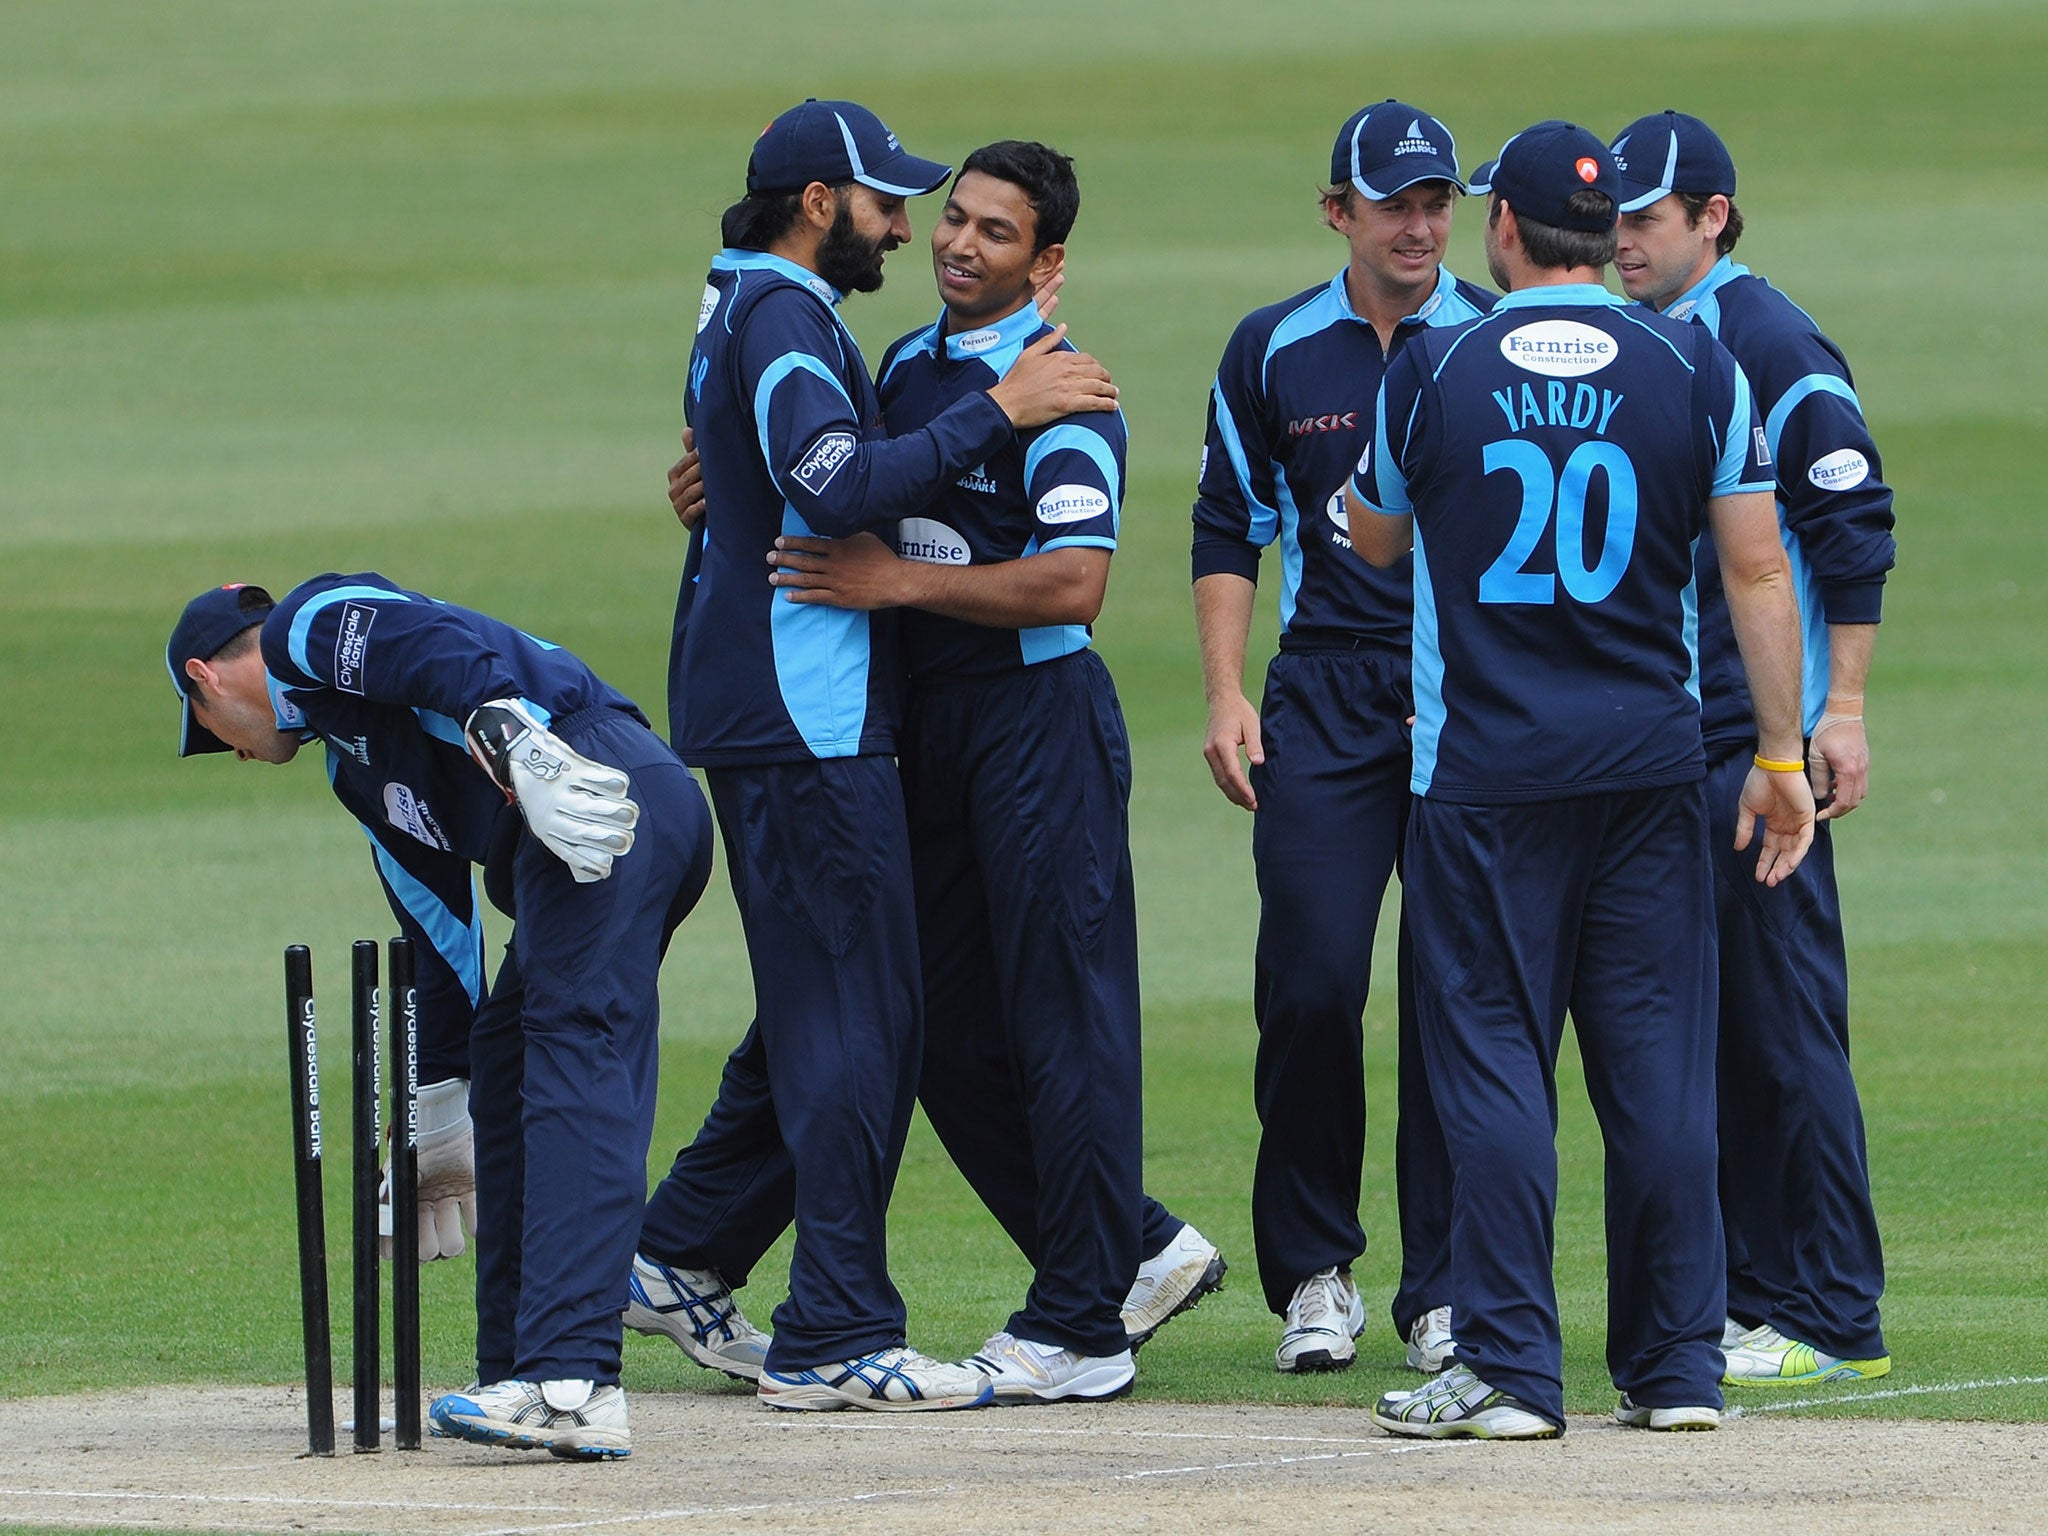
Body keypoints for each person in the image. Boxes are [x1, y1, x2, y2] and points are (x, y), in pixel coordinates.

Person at [630, 99, 1119, 1413]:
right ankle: (837, 1327)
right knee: (860, 1021)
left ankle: (692, 1258)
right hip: (806, 713)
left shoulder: (744, 301)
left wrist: (730, 481)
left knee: (841, 1014)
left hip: (780, 711)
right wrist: (1002, 408)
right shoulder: (791, 314)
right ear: (813, 204)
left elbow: (780, 467)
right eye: (890, 205)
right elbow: (836, 483)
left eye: (955, 215)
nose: (912, 230)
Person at [1347, 120, 1815, 1439]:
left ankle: (1506, 1368)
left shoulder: (1433, 369)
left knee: (1494, 1060)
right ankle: (1676, 1370)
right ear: (1608, 232)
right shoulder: (1695, 360)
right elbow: (1758, 572)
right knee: (1659, 1066)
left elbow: (1376, 540)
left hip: (1485, 777)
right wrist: (1779, 756)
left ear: (1504, 231)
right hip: (1653, 767)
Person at [764, 140, 1222, 1404]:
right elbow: (842, 487)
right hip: (931, 731)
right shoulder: (906, 367)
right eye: (953, 219)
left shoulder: (1067, 390)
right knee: (944, 1030)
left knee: (1060, 1021)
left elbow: (1074, 584)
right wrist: (724, 496)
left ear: (1049, 261)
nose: (961, 244)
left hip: (1037, 721)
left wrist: (894, 583)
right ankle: (1121, 1257)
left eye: (997, 232)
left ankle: (1078, 1326)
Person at [168, 574, 715, 1460]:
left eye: (211, 733)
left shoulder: (303, 629)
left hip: (602, 786)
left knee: (573, 1052)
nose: (230, 752)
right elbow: (439, 939)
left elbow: (431, 642)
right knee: (507, 1060)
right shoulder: (355, 770)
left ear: (205, 677)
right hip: (563, 845)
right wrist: (436, 1107)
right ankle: (517, 1369)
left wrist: (505, 727)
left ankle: (573, 1381)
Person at [1191, 100, 1488, 1376]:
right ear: (1337, 215)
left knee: (1453, 991)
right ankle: (1315, 1271)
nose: (1420, 227)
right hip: (1321, 691)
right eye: (1394, 205)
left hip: (1470, 695)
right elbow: (1226, 527)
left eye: (1437, 205)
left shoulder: (1492, 335)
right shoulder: (1272, 348)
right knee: (1309, 979)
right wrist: (1223, 691)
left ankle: (1444, 1288)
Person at [1609, 109, 1896, 1387]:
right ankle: (1754, 1297)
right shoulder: (1661, 338)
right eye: (1610, 218)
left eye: (1642, 221)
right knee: (1724, 1021)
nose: (1620, 242)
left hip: (1757, 734)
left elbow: (1850, 520)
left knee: (1782, 1020)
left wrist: (1837, 716)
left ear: (1709, 219)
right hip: (1694, 725)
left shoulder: (1764, 337)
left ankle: (1834, 1316)